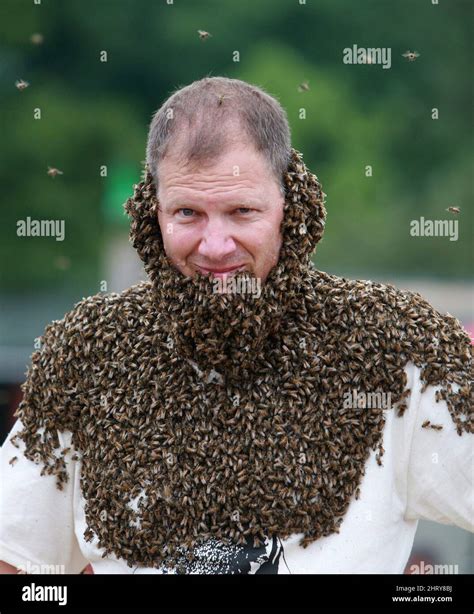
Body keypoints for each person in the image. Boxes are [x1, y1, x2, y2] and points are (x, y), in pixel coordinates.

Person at [0, 77, 472, 575]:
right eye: (188, 213)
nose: (215, 245)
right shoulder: (87, 355)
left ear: (292, 206)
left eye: (241, 211)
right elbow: (15, 558)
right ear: (150, 213)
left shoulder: (394, 349)